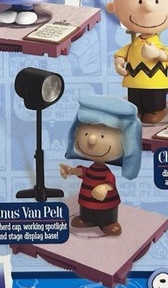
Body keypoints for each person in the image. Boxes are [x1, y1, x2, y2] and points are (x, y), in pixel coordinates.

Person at [59, 95, 141, 237]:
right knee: (86, 214)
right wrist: (71, 171)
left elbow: (110, 183)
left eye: (102, 136)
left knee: (106, 216)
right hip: (86, 204)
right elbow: (83, 172)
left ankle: (108, 223)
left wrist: (104, 188)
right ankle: (86, 219)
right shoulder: (91, 169)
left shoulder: (107, 173)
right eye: (86, 132)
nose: (91, 139)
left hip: (106, 206)